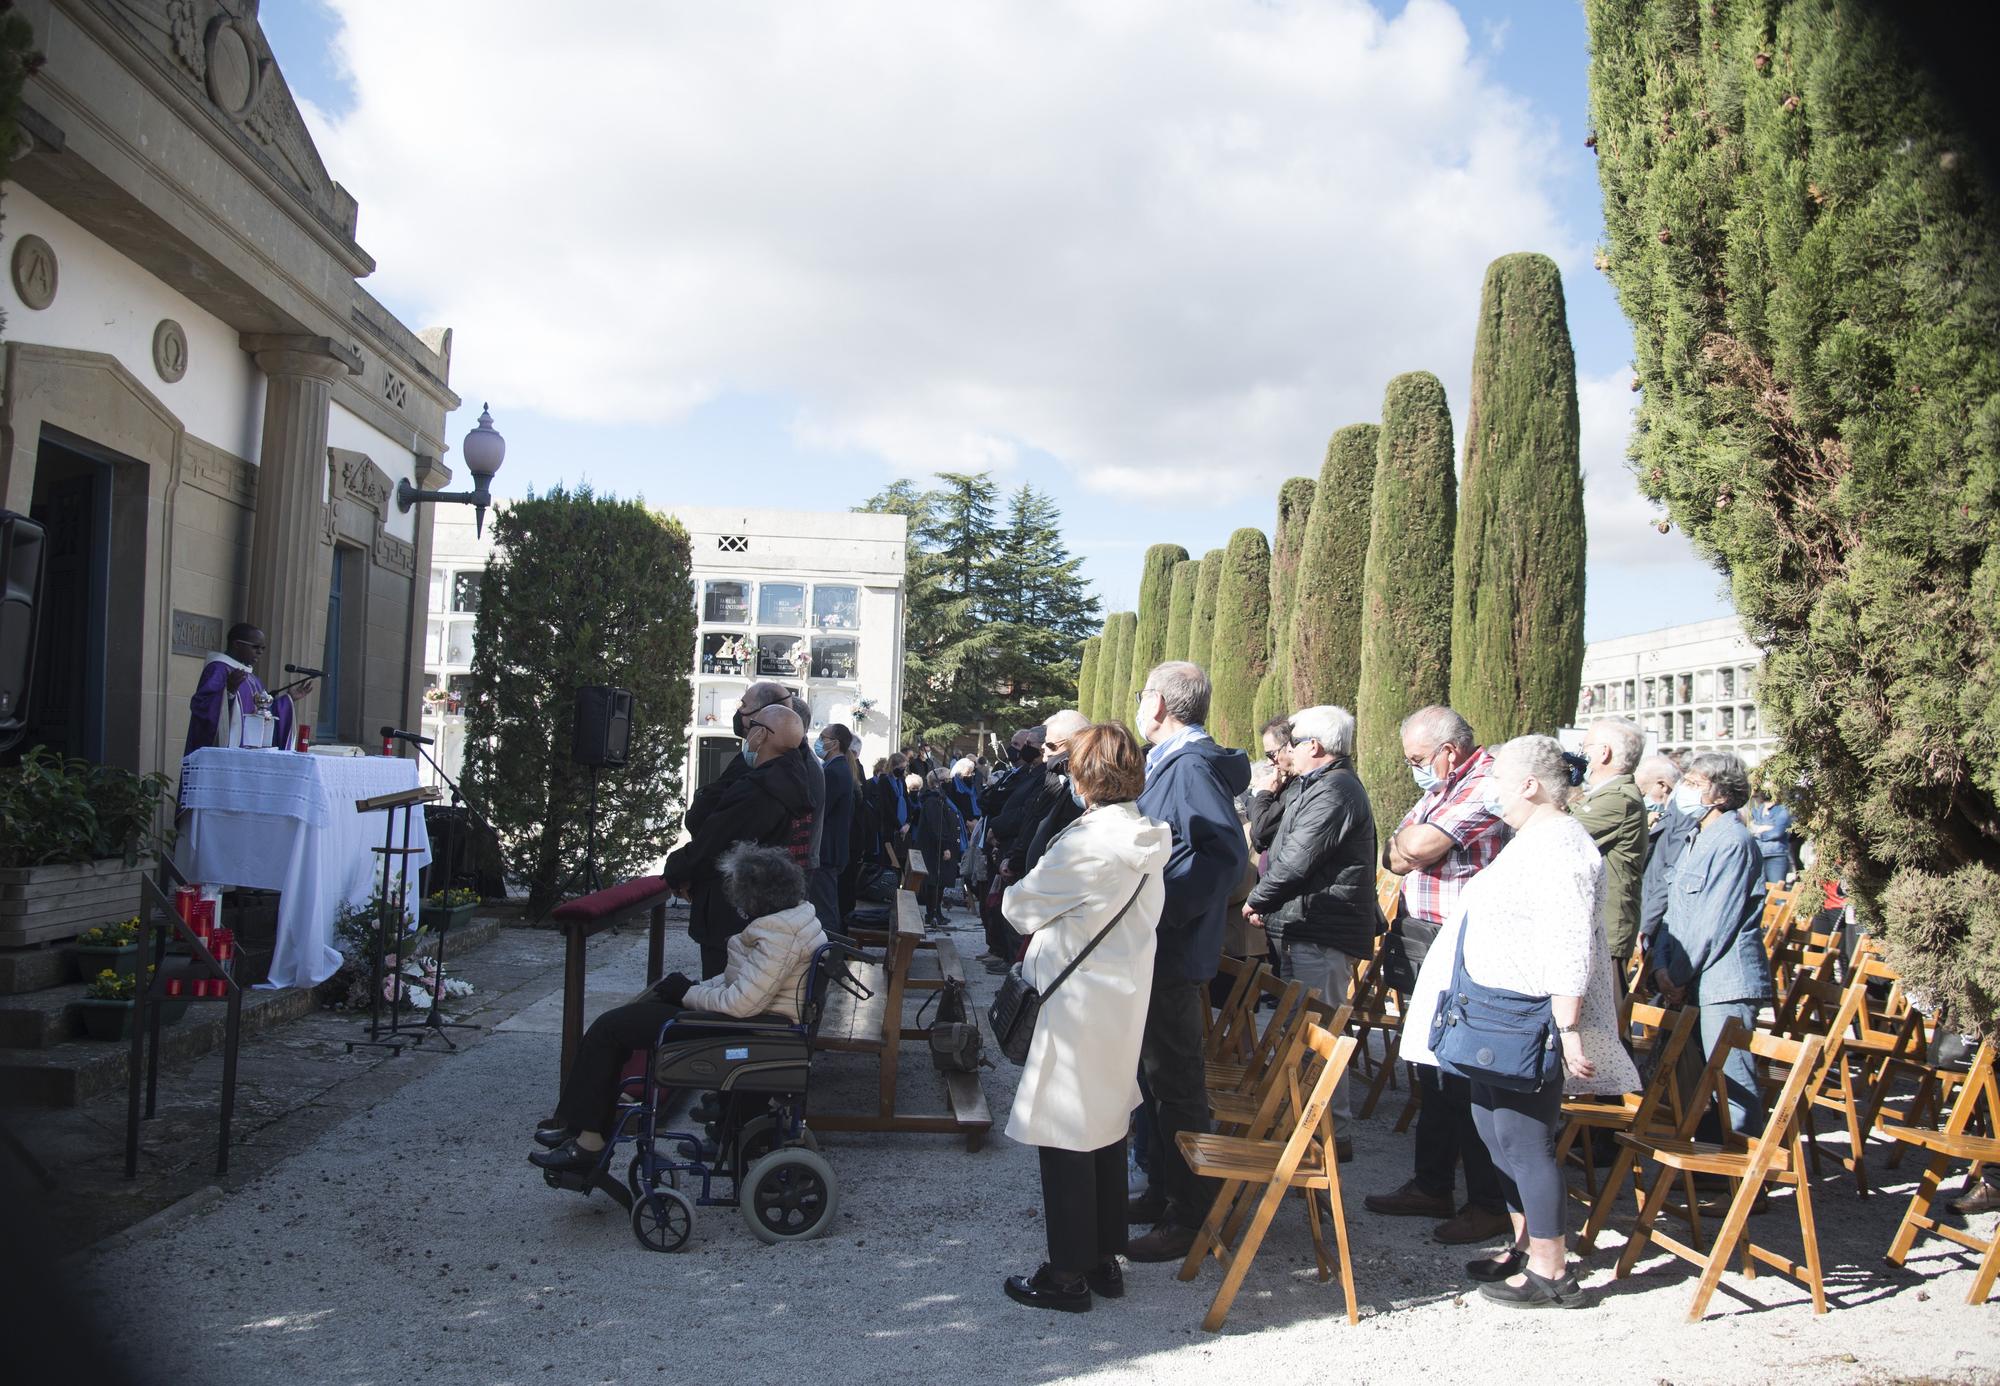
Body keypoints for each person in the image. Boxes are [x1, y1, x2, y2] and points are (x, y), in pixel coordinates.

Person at [1401, 735, 1640, 1309]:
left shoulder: (1562, 844)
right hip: (1496, 1013)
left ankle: (1553, 1272)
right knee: (1493, 1134)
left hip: (1528, 1018)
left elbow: (1567, 943)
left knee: (1525, 1141)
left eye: (1499, 783)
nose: (1490, 794)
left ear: (1530, 785)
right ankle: (1524, 1245)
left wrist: (1569, 1026)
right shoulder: (1532, 838)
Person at [1001, 724, 1171, 1313]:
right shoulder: (1146, 833)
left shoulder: (1089, 841)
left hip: (1075, 1002)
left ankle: (1067, 1273)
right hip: (1120, 994)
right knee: (1104, 1125)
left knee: (1066, 1130)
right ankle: (1103, 1258)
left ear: (1083, 775)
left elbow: (1020, 908)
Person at [531, 844, 827, 1173]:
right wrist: (693, 989)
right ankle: (581, 1128)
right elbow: (745, 982)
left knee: (608, 1030)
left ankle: (588, 1143)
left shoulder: (777, 935)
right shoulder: (794, 920)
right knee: (631, 1016)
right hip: (749, 1022)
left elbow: (742, 1002)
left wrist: (687, 994)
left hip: (737, 1030)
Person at [1365, 705, 1513, 1247]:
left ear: (1449, 751)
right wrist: (1410, 845)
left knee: (1466, 1068)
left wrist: (1413, 845)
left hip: (1463, 942)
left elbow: (1417, 847)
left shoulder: (1486, 783)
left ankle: (1487, 1200)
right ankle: (1432, 1182)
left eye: (1419, 759)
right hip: (1421, 935)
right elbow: (1394, 849)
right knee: (1429, 1067)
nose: (1416, 771)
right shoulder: (1440, 789)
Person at [1127, 662, 1251, 1263]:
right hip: (1162, 947)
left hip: (1170, 951)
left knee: (1176, 1083)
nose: (1138, 703)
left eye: (1143, 693)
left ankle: (1190, 1215)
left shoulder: (1191, 764)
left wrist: (1163, 907)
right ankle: (1162, 1189)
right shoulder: (1177, 760)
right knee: (1156, 1078)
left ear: (1163, 704)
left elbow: (1224, 852)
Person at [1241, 705, 1376, 1160]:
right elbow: (1273, 840)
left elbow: (1299, 857)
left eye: (1292, 743)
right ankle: (1305, 1125)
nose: (1286, 752)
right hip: (1305, 922)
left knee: (1322, 1033)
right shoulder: (1315, 785)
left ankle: (1330, 1136)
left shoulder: (1336, 789)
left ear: (1314, 746)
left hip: (1323, 928)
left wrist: (1259, 900)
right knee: (1304, 1029)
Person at [1650, 752, 1771, 1134]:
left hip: (1724, 981)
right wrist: (1661, 966)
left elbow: (1713, 920)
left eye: (1696, 784)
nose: (1685, 790)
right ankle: (1712, 1163)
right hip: (1688, 974)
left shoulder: (1733, 841)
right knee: (1702, 1079)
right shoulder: (1695, 835)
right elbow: (1676, 910)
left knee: (1732, 1080)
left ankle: (1742, 1176)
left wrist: (1678, 974)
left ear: (1721, 795)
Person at [663, 701, 815, 977]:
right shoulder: (792, 777)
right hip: (763, 901)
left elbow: (715, 842)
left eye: (753, 727)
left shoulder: (760, 789)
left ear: (762, 735)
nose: (748, 736)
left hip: (733, 908)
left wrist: (676, 869)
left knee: (723, 988)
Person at [1568, 716, 1650, 977]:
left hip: (1607, 927)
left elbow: (1564, 835)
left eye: (1586, 745)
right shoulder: (1605, 793)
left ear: (1603, 753)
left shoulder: (1618, 798)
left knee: (1606, 1012)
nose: (1581, 753)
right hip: (1595, 924)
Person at [184, 622, 310, 756]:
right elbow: (201, 707)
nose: (260, 652)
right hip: (221, 754)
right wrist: (229, 692)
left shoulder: (252, 678)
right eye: (255, 647)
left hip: (247, 754)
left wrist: (288, 701)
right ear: (237, 644)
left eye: (263, 648)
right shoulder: (218, 669)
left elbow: (261, 712)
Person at [809, 723, 856, 935]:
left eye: (823, 736)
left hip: (827, 851)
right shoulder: (834, 768)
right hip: (829, 850)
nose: (819, 741)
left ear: (834, 743)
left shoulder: (835, 771)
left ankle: (828, 957)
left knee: (825, 910)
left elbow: (821, 810)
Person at [912, 769, 964, 927]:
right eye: (947, 780)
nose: (950, 782)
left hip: (943, 846)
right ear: (938, 782)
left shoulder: (941, 798)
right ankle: (932, 913)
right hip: (935, 848)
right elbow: (937, 826)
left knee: (940, 882)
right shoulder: (932, 801)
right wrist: (945, 846)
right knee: (934, 880)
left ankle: (937, 911)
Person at [1245, 715, 1299, 857]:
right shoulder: (1284, 782)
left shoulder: (1299, 786)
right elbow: (1257, 838)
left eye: (1271, 755)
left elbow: (1260, 831)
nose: (1269, 763)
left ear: (1289, 747)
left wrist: (1264, 794)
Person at [1748, 786, 1795, 885]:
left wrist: (1758, 832)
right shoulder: (1757, 810)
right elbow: (1749, 828)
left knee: (1777, 893)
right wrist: (1766, 828)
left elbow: (1777, 832)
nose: (1756, 799)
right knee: (1759, 893)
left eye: (1757, 796)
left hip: (1776, 856)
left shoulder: (1782, 810)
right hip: (1758, 854)